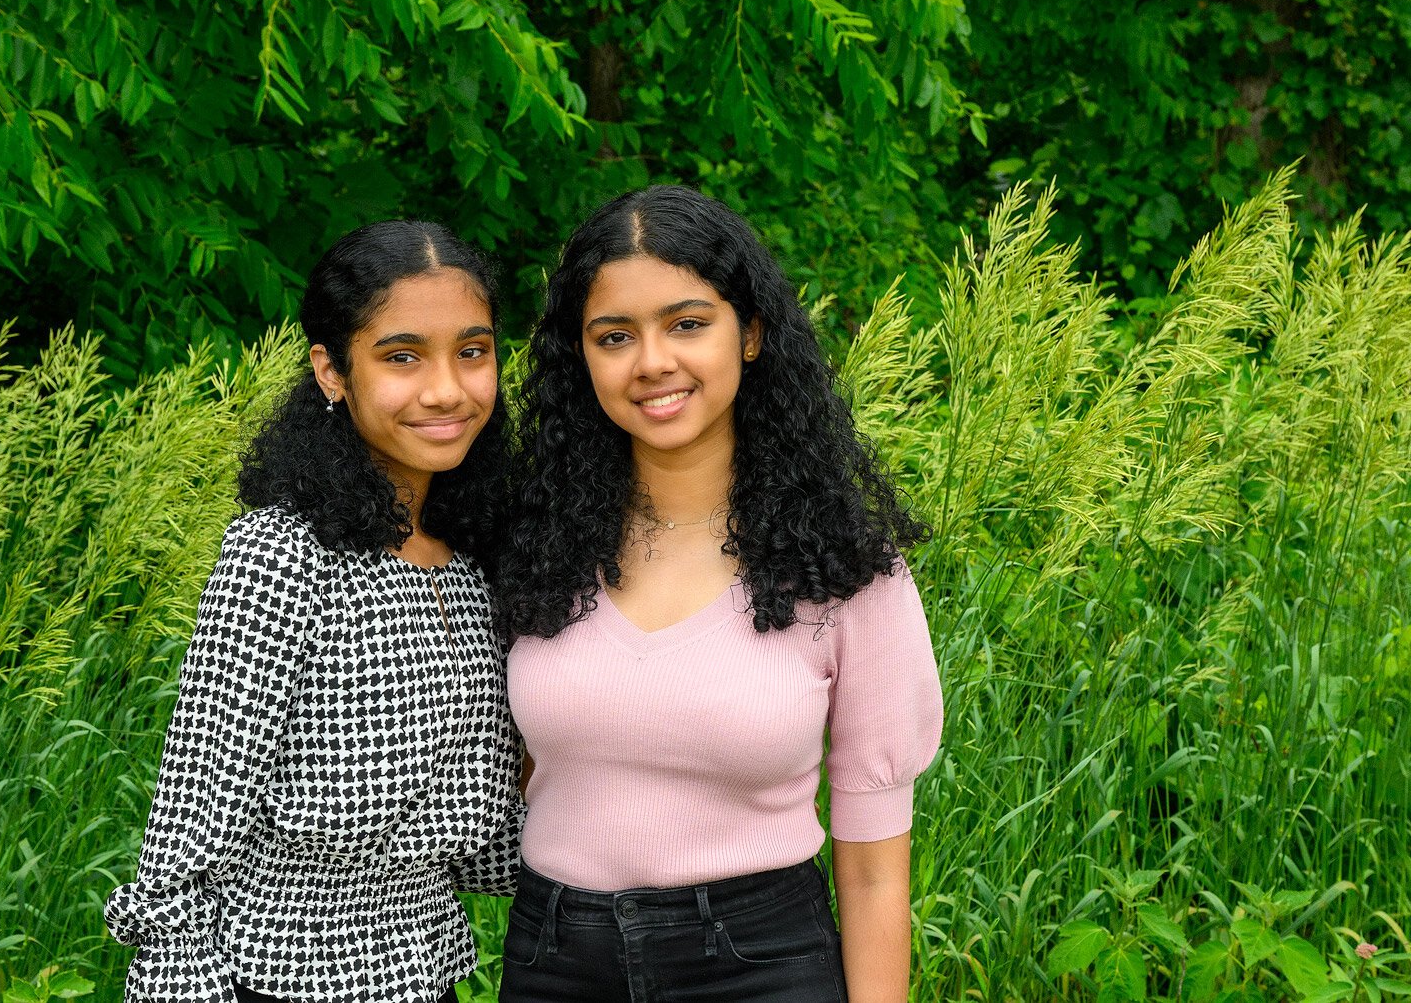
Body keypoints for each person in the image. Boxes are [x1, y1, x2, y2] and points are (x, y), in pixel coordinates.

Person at [497, 185, 943, 1003]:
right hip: (554, 965)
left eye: (688, 323)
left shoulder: (845, 571)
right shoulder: (534, 547)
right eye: (614, 336)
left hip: (761, 966)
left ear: (752, 335)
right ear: (581, 358)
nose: (653, 361)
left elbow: (877, 878)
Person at [104, 221, 522, 1003]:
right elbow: (195, 813)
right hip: (271, 976)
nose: (447, 388)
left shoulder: (474, 558)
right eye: (402, 356)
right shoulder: (283, 553)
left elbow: (488, 844)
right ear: (331, 371)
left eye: (472, 351)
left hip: (423, 972)